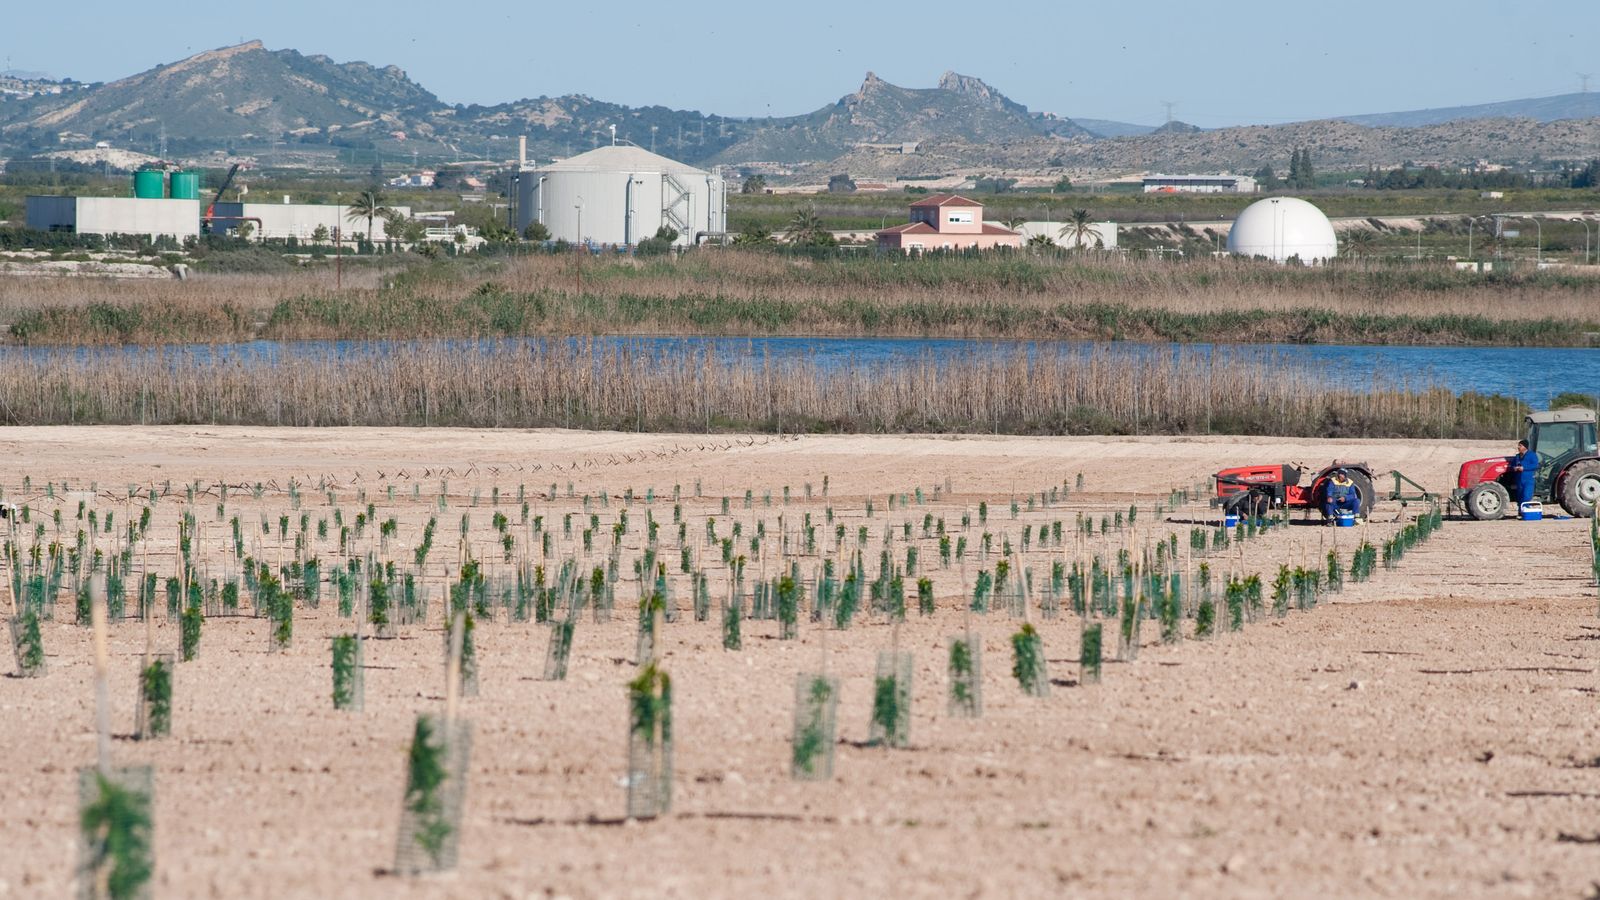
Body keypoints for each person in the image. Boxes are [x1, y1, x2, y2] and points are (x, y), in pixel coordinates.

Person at [1508, 439, 1540, 506]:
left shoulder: (1532, 455)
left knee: (1526, 496)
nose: (1518, 447)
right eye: (1518, 445)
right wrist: (1514, 468)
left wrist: (1524, 468)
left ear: (1525, 447)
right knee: (1519, 497)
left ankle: (1526, 509)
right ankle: (1520, 511)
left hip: (1528, 480)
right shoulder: (1517, 456)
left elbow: (1536, 465)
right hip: (1519, 480)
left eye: (1520, 445)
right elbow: (1512, 465)